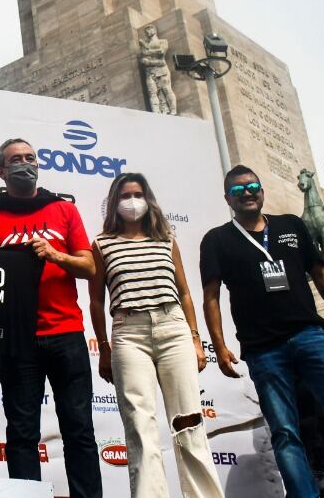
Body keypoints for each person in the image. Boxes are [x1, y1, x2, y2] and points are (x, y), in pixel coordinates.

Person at [200, 164, 324, 498]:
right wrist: (220, 345)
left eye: (253, 185)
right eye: (239, 189)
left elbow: (321, 276)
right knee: (286, 434)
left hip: (310, 336)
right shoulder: (216, 240)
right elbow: (211, 297)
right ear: (228, 198)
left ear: (262, 190)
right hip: (263, 349)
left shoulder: (291, 225)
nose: (248, 193)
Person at [0, 139, 101, 497]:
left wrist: (55, 255)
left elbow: (89, 267)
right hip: (17, 340)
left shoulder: (64, 211)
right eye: (16, 159)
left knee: (79, 431)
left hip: (66, 334)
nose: (25, 164)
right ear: (1, 171)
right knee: (22, 433)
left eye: (30, 158)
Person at [89, 172, 222, 497]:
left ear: (148, 200)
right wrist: (104, 347)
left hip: (172, 326)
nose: (132, 201)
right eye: (124, 196)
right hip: (128, 333)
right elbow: (95, 300)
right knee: (139, 426)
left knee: (189, 420)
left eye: (137, 194)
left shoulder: (166, 239)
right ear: (113, 203)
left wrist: (194, 338)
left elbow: (186, 293)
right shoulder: (102, 243)